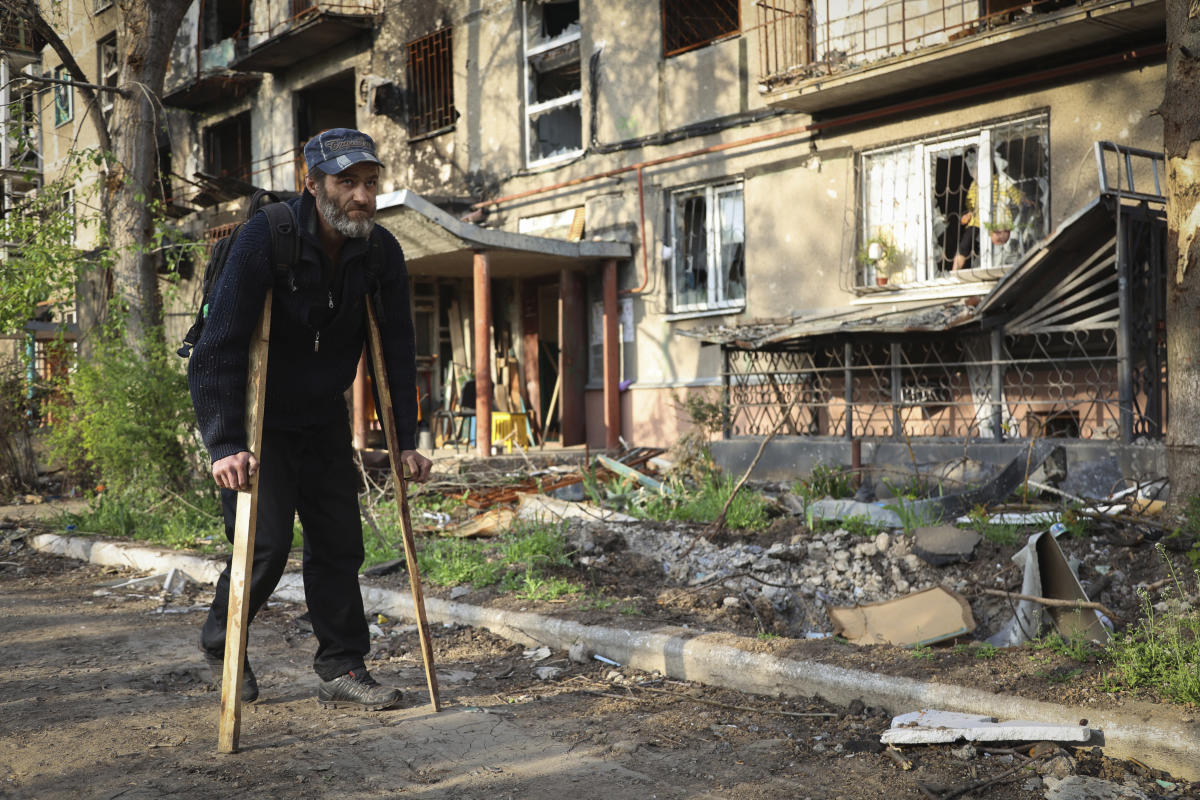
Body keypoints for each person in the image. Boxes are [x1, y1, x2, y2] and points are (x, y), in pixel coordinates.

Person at [188, 128, 433, 711]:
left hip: (323, 416)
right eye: (346, 182)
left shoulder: (379, 252)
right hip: (257, 419)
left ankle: (341, 665)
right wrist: (224, 444)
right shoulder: (264, 239)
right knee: (264, 544)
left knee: (339, 542)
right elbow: (216, 348)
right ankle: (224, 639)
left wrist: (406, 438)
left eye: (370, 183)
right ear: (313, 184)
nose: (362, 197)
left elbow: (396, 351)